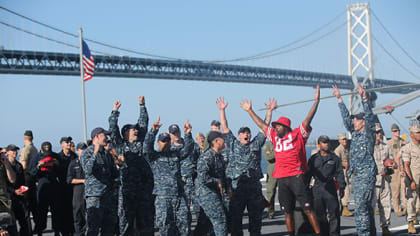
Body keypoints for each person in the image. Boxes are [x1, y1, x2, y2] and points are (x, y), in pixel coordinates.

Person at [242, 85, 321, 236]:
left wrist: (316, 101)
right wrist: (249, 110)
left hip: (296, 177)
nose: (275, 127)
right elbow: (261, 125)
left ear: (286, 127)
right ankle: (291, 234)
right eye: (275, 126)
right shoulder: (274, 138)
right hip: (282, 179)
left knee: (308, 208)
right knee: (287, 211)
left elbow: (308, 118)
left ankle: (318, 233)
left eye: (278, 126)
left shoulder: (298, 135)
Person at [217, 96, 274, 236]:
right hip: (237, 187)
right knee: (236, 220)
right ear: (239, 135)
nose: (246, 135)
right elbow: (224, 126)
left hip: (254, 187)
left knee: (256, 220)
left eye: (248, 133)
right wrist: (222, 110)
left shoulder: (256, 144)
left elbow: (265, 127)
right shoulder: (233, 143)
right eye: (243, 133)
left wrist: (269, 112)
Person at [333, 84, 376, 236]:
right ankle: (369, 232)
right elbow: (346, 120)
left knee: (360, 207)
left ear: (363, 122)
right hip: (357, 175)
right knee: (366, 207)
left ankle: (364, 233)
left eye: (357, 120)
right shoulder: (356, 134)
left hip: (366, 175)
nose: (354, 122)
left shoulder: (369, 133)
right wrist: (339, 99)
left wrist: (364, 98)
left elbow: (370, 116)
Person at [108, 96, 153, 236]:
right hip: (127, 190)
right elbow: (112, 129)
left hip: (143, 189)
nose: (136, 131)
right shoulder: (120, 145)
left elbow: (143, 124)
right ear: (125, 133)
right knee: (125, 223)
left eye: (135, 129)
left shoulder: (140, 144)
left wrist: (142, 105)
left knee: (145, 223)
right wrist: (115, 111)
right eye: (132, 129)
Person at [143, 118, 193, 235]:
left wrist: (187, 134)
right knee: (165, 227)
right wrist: (152, 132)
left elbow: (188, 149)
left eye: (167, 140)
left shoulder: (175, 154)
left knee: (184, 225)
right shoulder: (154, 157)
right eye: (163, 141)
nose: (166, 143)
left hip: (179, 196)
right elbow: (146, 147)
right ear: (158, 143)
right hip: (163, 198)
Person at [80, 127, 123, 236]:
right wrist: (95, 153)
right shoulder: (87, 153)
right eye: (104, 135)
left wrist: (121, 165)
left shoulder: (107, 154)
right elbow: (87, 170)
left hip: (108, 196)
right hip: (95, 197)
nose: (106, 138)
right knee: (93, 229)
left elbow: (115, 175)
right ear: (97, 137)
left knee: (109, 227)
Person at [306, 135, 345, 236]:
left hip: (330, 188)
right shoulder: (313, 159)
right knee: (319, 215)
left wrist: (341, 187)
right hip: (317, 188)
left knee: (334, 214)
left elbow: (339, 173)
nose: (326, 144)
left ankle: (334, 234)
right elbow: (308, 173)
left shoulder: (334, 158)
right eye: (324, 142)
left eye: (327, 142)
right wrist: (306, 188)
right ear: (319, 145)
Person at [195, 131, 231, 236]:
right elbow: (202, 178)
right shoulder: (207, 156)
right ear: (216, 141)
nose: (224, 141)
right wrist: (217, 181)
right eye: (222, 139)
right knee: (220, 220)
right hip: (206, 193)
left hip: (216, 193)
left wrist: (227, 187)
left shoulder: (219, 156)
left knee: (205, 223)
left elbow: (222, 175)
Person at [168, 124, 200, 222]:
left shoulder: (191, 145)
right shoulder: (169, 149)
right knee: (184, 211)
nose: (176, 135)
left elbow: (199, 159)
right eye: (173, 133)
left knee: (199, 209)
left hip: (194, 180)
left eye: (177, 132)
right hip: (181, 183)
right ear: (170, 134)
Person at [29, 142, 60, 236]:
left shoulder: (55, 156)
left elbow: (61, 171)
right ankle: (40, 230)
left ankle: (57, 230)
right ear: (41, 150)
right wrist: (39, 166)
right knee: (41, 210)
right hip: (42, 185)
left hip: (54, 185)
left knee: (56, 210)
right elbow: (32, 173)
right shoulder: (36, 157)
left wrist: (56, 163)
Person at [6, 144, 32, 236]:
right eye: (12, 150)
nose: (15, 152)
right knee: (11, 224)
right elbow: (4, 184)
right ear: (7, 152)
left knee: (26, 221)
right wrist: (13, 191)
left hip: (20, 197)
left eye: (16, 150)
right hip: (9, 197)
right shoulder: (5, 166)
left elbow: (22, 181)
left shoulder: (19, 166)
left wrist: (23, 189)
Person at [372, 124, 393, 236]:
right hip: (373, 181)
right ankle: (370, 228)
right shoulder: (367, 147)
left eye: (380, 131)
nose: (379, 134)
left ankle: (385, 227)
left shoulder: (386, 147)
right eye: (376, 132)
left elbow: (393, 164)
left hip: (385, 180)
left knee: (386, 205)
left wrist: (390, 168)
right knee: (371, 205)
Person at [402, 124, 420, 234]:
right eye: (417, 132)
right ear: (411, 134)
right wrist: (411, 180)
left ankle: (415, 217)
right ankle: (410, 223)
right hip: (413, 179)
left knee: (418, 205)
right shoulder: (407, 148)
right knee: (411, 201)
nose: (419, 134)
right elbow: (406, 165)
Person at [18, 130, 38, 229]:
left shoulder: (26, 150)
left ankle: (27, 229)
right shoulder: (34, 149)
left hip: (26, 179)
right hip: (33, 179)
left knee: (25, 205)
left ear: (24, 138)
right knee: (34, 205)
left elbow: (23, 165)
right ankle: (38, 226)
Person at [67, 142, 87, 236]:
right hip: (78, 192)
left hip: (88, 193)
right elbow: (69, 180)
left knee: (88, 217)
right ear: (78, 151)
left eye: (84, 149)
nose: (83, 151)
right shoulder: (73, 163)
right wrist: (82, 181)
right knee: (78, 217)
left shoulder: (90, 163)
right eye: (81, 149)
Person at [57, 136, 77, 236]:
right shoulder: (58, 157)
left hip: (73, 188)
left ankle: (72, 231)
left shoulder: (74, 156)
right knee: (63, 211)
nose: (69, 143)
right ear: (62, 144)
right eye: (66, 142)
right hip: (62, 188)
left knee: (73, 211)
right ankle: (63, 231)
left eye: (70, 142)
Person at [387, 123, 407, 217]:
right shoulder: (389, 144)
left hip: (403, 168)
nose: (397, 132)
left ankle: (406, 207)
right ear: (392, 132)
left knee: (405, 189)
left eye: (398, 130)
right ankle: (397, 208)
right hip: (394, 170)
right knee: (396, 190)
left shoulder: (404, 142)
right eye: (395, 131)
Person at [334, 132, 353, 217]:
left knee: (346, 190)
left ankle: (344, 207)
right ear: (339, 140)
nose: (345, 141)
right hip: (341, 172)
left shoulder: (346, 149)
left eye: (345, 139)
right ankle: (344, 208)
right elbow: (336, 161)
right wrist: (343, 164)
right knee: (345, 190)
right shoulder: (338, 150)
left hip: (347, 172)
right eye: (343, 139)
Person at [1, 146, 17, 236]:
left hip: (4, 200)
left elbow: (12, 179)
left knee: (11, 228)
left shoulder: (3, 164)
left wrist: (6, 163)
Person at [263, 141, 278, 219]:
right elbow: (268, 157)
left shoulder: (283, 142)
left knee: (286, 193)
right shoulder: (268, 145)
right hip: (272, 171)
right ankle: (270, 212)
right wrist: (280, 152)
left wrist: (273, 152)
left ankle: (288, 211)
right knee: (270, 192)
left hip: (284, 170)